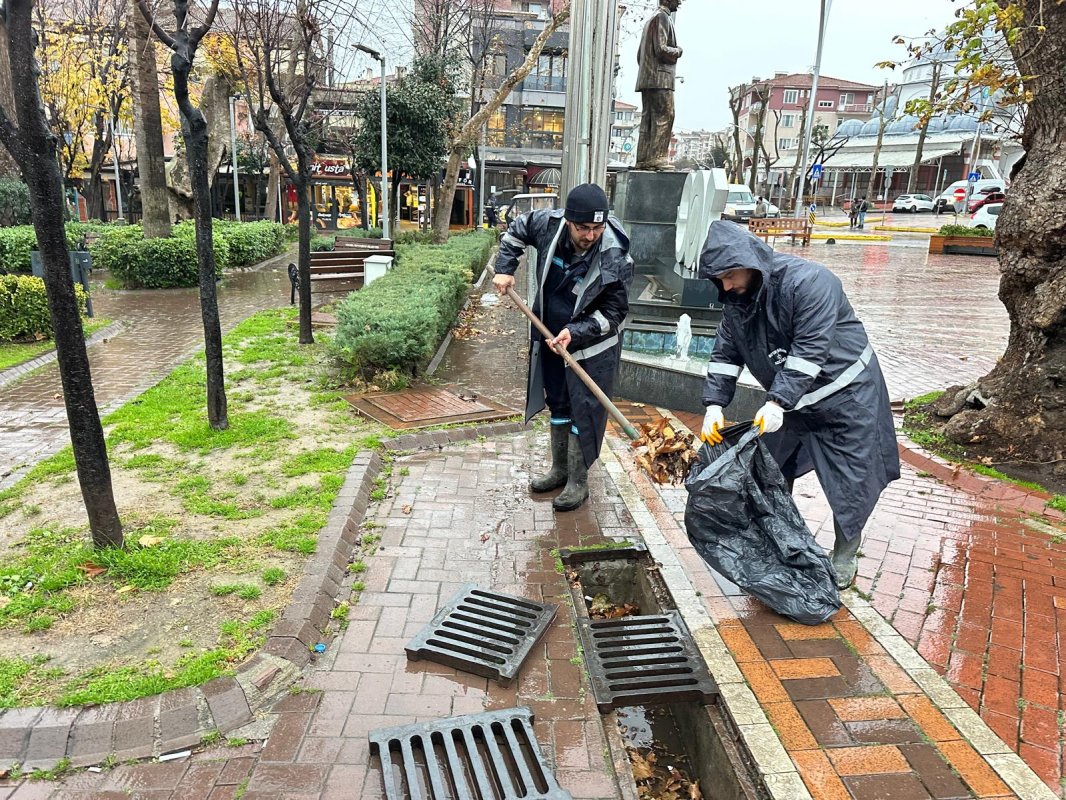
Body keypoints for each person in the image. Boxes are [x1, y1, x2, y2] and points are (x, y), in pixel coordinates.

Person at [697, 220, 899, 589]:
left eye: (729, 275)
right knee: (771, 468)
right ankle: (783, 538)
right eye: (719, 279)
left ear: (751, 261)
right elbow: (725, 355)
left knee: (852, 480)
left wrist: (776, 401)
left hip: (847, 396)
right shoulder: (738, 301)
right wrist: (714, 404)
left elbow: (809, 352)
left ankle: (845, 552)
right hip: (792, 401)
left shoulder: (810, 283)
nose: (725, 286)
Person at [493, 183, 634, 512]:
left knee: (582, 409)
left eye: (597, 228)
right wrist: (504, 269)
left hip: (592, 346)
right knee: (558, 401)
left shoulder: (616, 255)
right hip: (550, 336)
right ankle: (559, 470)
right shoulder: (547, 224)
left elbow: (614, 313)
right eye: (583, 227)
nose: (590, 235)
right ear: (568, 221)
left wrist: (577, 331)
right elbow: (518, 228)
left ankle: (578, 481)